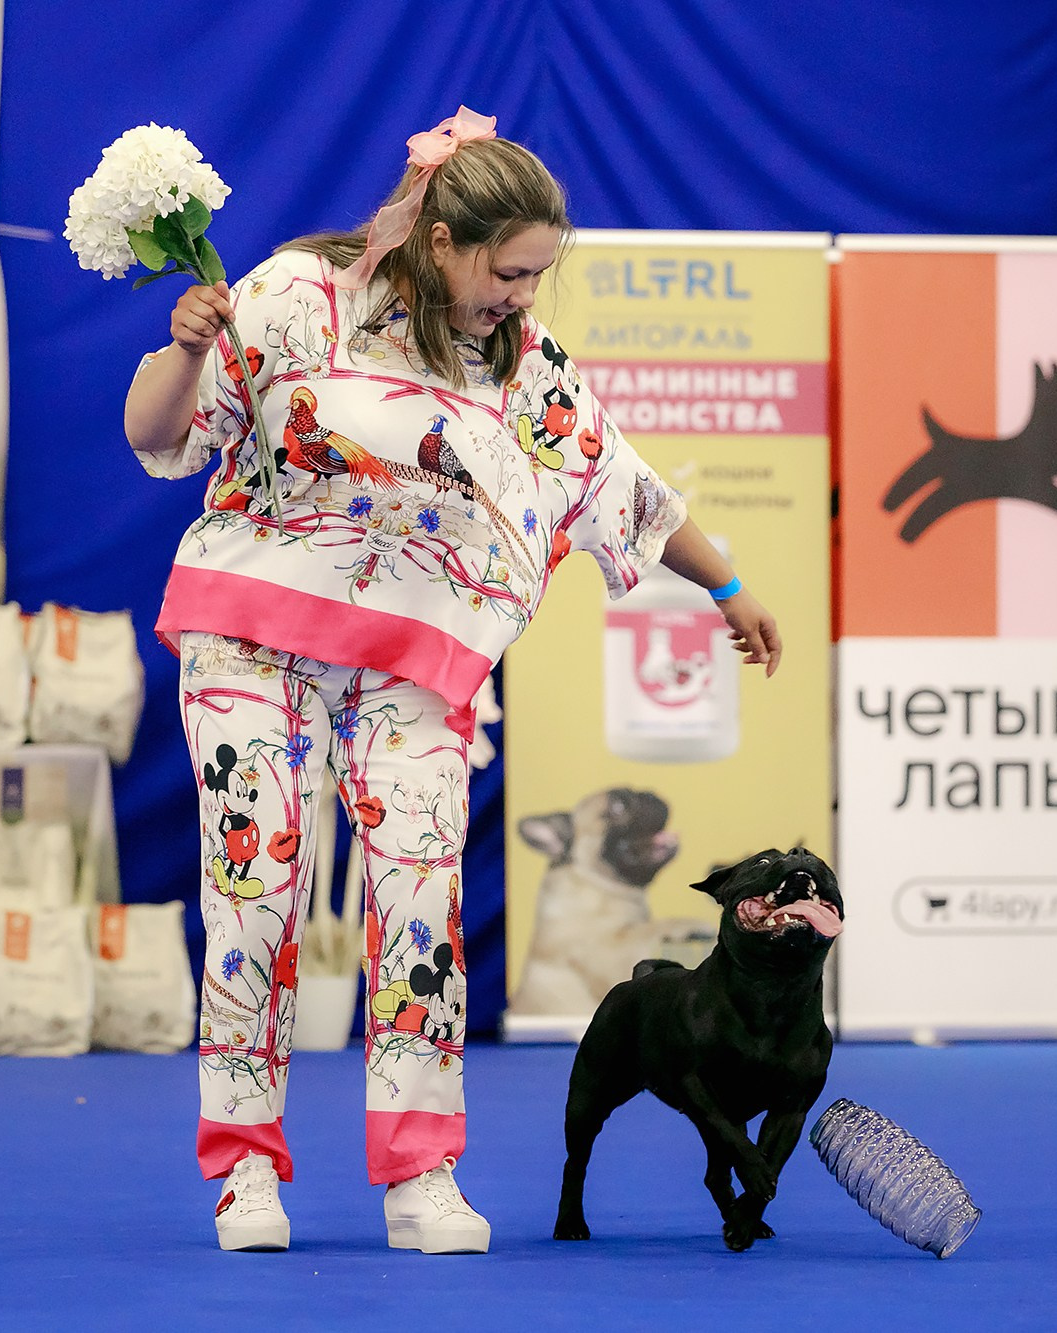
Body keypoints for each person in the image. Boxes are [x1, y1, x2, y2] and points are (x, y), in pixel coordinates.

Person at [121, 107, 781, 1255]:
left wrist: (726, 588)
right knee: (255, 887)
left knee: (421, 897)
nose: (521, 296)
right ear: (441, 243)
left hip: (413, 659)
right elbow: (156, 435)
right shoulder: (292, 298)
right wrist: (184, 349)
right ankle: (242, 1168)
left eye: (537, 276)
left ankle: (420, 1171)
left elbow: (619, 483)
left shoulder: (522, 366)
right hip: (252, 640)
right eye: (506, 272)